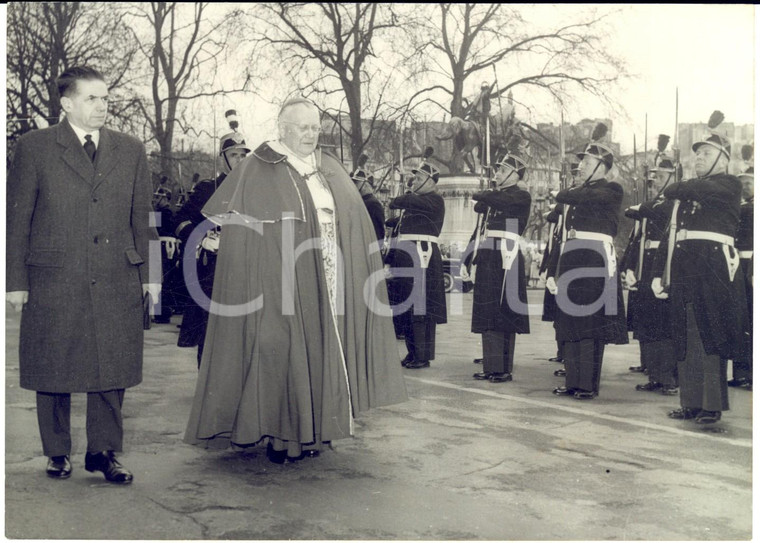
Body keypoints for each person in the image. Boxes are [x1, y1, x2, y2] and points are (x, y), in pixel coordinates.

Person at [184, 97, 407, 462]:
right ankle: (281, 435)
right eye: (302, 127)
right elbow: (241, 228)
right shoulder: (258, 165)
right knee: (283, 350)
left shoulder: (329, 166)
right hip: (278, 277)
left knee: (322, 346)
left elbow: (353, 216)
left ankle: (317, 431)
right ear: (282, 128)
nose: (311, 134)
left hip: (330, 273)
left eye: (316, 127)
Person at [6, 66, 159, 483]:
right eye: (92, 98)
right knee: (53, 365)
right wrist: (15, 281)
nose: (102, 106)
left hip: (115, 275)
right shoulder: (34, 147)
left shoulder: (130, 149)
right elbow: (17, 219)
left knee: (111, 365)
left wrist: (153, 277)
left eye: (106, 98)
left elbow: (144, 217)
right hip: (55, 276)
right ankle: (57, 452)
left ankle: (103, 452)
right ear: (67, 103)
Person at [651, 128, 747, 423]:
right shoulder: (691, 189)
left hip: (713, 266)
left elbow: (690, 190)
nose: (699, 158)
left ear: (724, 158)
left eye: (706, 153)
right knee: (687, 332)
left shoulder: (729, 184)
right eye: (697, 154)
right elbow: (671, 234)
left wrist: (679, 186)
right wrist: (658, 272)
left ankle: (711, 404)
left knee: (710, 333)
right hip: (686, 264)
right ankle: (691, 401)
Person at [545, 130, 628, 400]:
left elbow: (586, 197)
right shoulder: (579, 192)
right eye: (582, 163)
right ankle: (572, 380)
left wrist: (562, 193)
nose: (581, 167)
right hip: (573, 255)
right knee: (569, 319)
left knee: (590, 322)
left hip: (594, 257)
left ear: (602, 168)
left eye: (588, 163)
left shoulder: (611, 189)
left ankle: (587, 384)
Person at [175, 130, 250, 367]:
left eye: (243, 154)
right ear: (223, 158)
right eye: (234, 154)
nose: (240, 159)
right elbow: (179, 222)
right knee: (209, 335)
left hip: (245, 269)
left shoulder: (252, 189)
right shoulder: (208, 189)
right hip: (213, 272)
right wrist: (201, 238)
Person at [469, 153, 532, 383]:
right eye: (497, 170)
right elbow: (479, 210)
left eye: (502, 171)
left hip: (506, 254)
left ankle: (503, 368)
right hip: (490, 253)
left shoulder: (520, 195)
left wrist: (486, 193)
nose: (497, 174)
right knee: (488, 309)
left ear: (515, 175)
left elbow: (492, 200)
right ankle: (491, 365)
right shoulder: (498, 197)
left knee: (503, 310)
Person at [622, 159, 679, 395]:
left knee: (664, 323)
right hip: (647, 263)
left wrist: (642, 207)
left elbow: (654, 212)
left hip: (665, 263)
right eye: (654, 175)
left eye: (661, 175)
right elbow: (639, 238)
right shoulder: (655, 203)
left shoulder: (675, 202)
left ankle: (668, 378)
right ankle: (655, 374)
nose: (654, 180)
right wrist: (632, 266)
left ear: (673, 178)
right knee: (648, 320)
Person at [386, 160, 447, 369]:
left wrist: (398, 199)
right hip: (409, 254)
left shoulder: (434, 200)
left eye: (419, 178)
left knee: (421, 307)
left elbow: (412, 202)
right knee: (409, 305)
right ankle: (413, 352)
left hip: (423, 255)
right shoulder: (417, 201)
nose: (415, 181)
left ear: (431, 181)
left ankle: (422, 354)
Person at [729, 166, 753, 390]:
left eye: (749, 182)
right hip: (738, 265)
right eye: (742, 182)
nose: (744, 186)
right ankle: (741, 373)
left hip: (752, 267)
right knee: (740, 320)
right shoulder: (741, 207)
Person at [152, 186, 181, 323]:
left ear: (165, 199)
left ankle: (162, 312)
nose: (155, 200)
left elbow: (153, 230)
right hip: (164, 246)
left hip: (163, 247)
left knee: (162, 279)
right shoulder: (166, 212)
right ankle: (161, 311)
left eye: (158, 197)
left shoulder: (164, 212)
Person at [352, 167, 386, 242]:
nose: (353, 186)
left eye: (356, 183)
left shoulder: (373, 204)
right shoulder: (362, 201)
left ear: (365, 185)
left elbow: (378, 233)